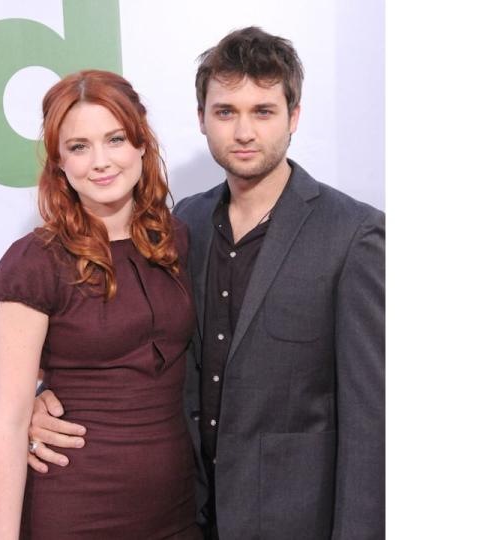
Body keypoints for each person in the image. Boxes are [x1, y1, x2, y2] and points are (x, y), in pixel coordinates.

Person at [28, 27, 385, 539]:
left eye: (263, 111)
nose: (244, 132)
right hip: (184, 513)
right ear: (201, 119)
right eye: (225, 112)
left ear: (294, 117)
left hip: (295, 521)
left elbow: (372, 421)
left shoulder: (353, 234)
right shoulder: (180, 227)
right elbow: (133, 341)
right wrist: (42, 399)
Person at [0, 69, 201, 540]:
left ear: (142, 144)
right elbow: (7, 424)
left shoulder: (177, 241)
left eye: (115, 139)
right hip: (77, 511)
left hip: (178, 511)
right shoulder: (35, 262)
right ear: (59, 162)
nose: (100, 161)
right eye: (79, 146)